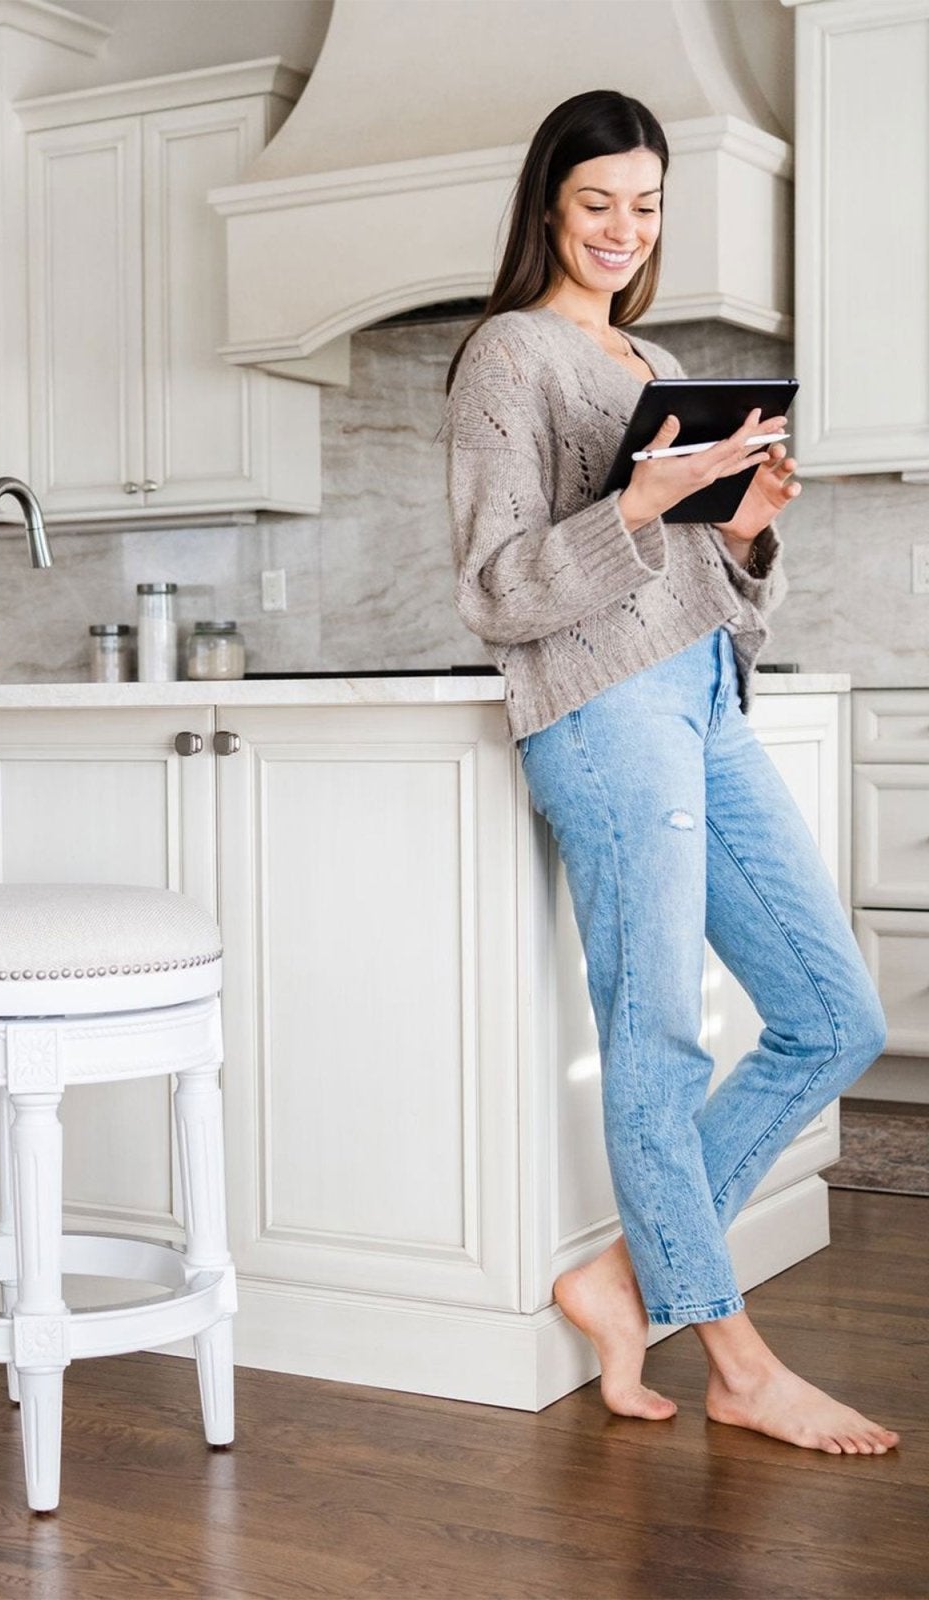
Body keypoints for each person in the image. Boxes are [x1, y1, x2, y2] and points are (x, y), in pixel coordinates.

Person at [441, 89, 899, 1456]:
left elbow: (709, 599)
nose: (621, 232)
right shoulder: (509, 359)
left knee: (834, 1014)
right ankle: (738, 1360)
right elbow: (494, 587)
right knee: (660, 1032)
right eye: (597, 205)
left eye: (644, 208)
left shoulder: (653, 359)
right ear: (547, 210)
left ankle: (623, 1281)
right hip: (597, 713)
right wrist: (638, 501)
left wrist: (746, 528)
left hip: (703, 697)